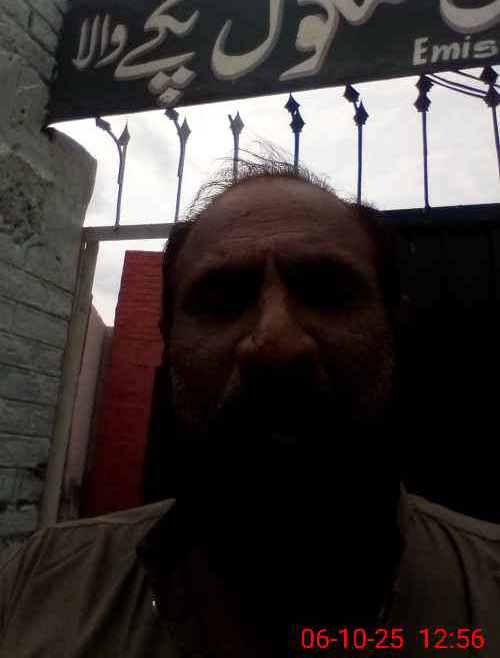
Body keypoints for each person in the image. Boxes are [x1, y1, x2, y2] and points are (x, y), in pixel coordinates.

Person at [1, 152, 500, 658]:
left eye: (328, 294)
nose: (275, 344)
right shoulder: (35, 588)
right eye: (221, 302)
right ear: (170, 344)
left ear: (394, 329)